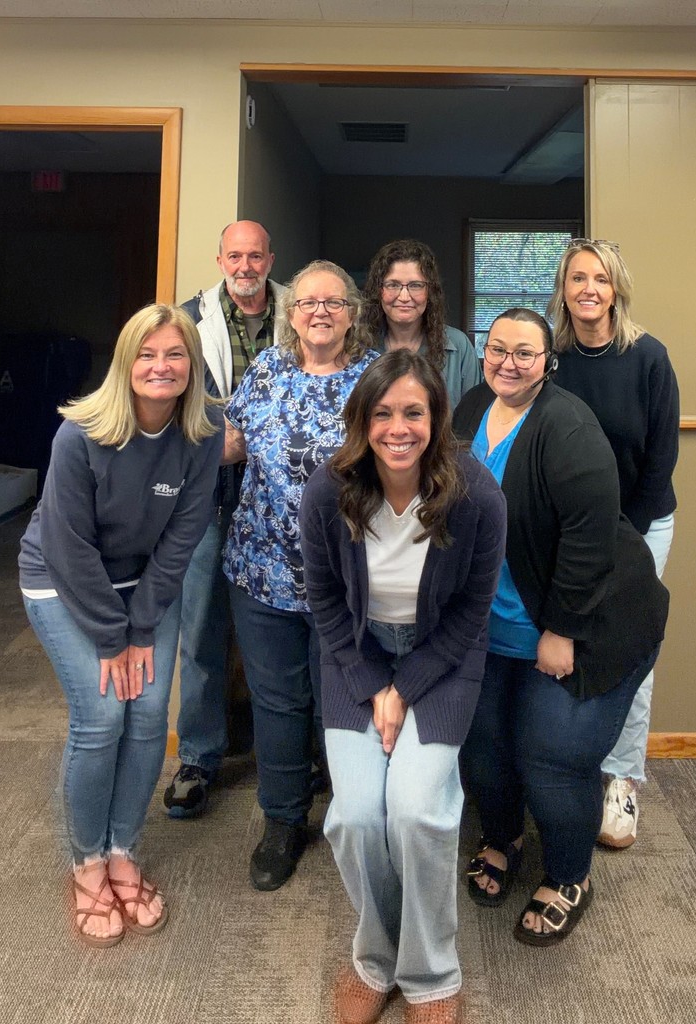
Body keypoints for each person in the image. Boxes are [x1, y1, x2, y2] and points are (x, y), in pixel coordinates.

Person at [300, 351, 506, 1024]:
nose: (397, 428)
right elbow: (325, 600)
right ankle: (375, 960)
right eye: (382, 413)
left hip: (441, 658)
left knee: (417, 811)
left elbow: (471, 615)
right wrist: (370, 683)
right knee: (356, 816)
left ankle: (431, 973)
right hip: (351, 655)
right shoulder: (327, 490)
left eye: (412, 413)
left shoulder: (475, 495)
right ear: (361, 420)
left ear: (436, 418)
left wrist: (405, 686)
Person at [453, 308, 669, 947]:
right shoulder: (469, 409)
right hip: (494, 624)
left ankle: (570, 875)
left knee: (551, 755)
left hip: (588, 620)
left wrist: (561, 632)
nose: (508, 363)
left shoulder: (567, 426)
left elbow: (587, 538)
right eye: (497, 350)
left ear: (549, 363)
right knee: (484, 744)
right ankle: (502, 836)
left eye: (525, 353)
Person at [19, 304, 223, 947]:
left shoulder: (204, 431)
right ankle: (85, 862)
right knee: (103, 714)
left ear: (192, 366)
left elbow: (184, 537)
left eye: (175, 355)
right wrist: (114, 636)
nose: (160, 367)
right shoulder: (79, 433)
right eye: (147, 354)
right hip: (61, 577)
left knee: (149, 711)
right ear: (125, 361)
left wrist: (140, 628)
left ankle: (122, 849)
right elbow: (69, 545)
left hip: (146, 584)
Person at [222, 259, 379, 891]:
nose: (319, 311)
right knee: (278, 701)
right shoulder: (266, 371)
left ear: (352, 314)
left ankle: (351, 816)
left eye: (333, 303)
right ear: (291, 315)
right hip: (261, 572)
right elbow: (229, 444)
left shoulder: (377, 378)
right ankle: (282, 821)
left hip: (348, 579)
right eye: (308, 302)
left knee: (342, 701)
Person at [547, 238, 679, 849]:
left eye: (600, 279)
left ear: (615, 288)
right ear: (564, 289)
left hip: (641, 526)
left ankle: (622, 779)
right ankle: (558, 769)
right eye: (578, 279)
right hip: (568, 532)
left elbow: (661, 458)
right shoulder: (550, 358)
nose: (589, 290)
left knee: (630, 647)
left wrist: (622, 538)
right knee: (561, 644)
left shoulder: (648, 358)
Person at [164, 220, 283, 820]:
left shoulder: (300, 311)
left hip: (278, 500)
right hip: (208, 495)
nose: (245, 265)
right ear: (219, 259)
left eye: (255, 255)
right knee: (203, 627)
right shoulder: (186, 320)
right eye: (235, 255)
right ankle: (200, 756)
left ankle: (287, 756)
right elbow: (166, 401)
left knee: (277, 631)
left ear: (270, 258)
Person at [360, 238, 482, 408]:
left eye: (415, 285)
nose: (404, 297)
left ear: (430, 291)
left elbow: (474, 416)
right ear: (378, 290)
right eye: (393, 285)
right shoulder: (359, 347)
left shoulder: (459, 347)